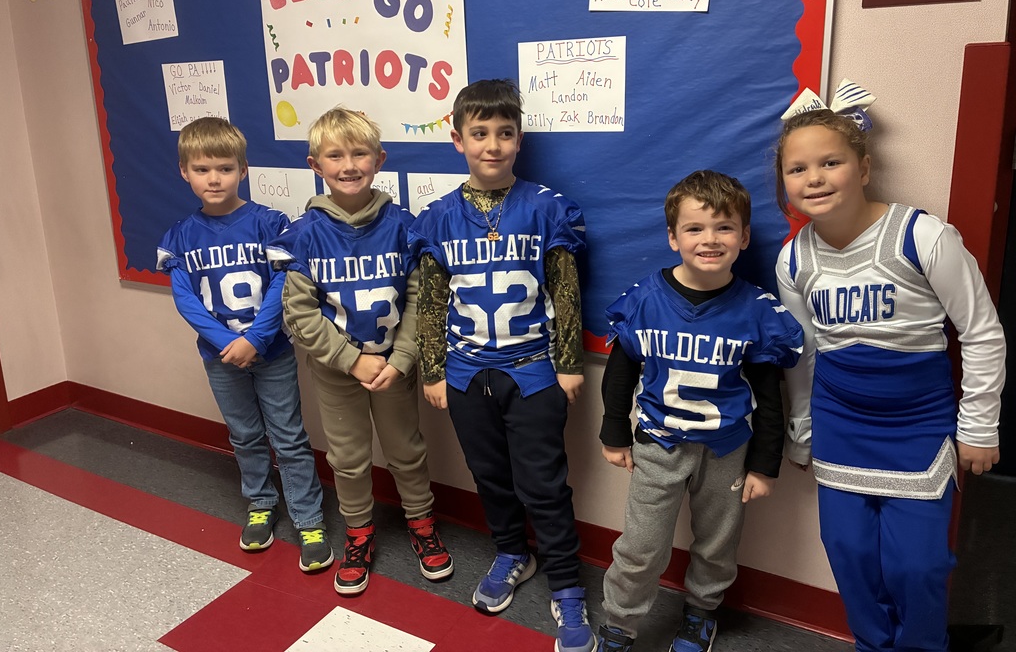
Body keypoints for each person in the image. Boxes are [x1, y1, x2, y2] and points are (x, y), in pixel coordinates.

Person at [774, 84, 1006, 652]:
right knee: (850, 559)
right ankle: (874, 646)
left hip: (917, 426)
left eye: (831, 162)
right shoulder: (794, 258)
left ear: (865, 166)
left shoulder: (923, 235)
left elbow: (981, 332)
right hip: (840, 425)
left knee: (917, 568)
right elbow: (803, 354)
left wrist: (979, 427)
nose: (816, 178)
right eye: (798, 168)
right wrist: (801, 431)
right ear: (784, 181)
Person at [408, 79, 596, 652]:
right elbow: (433, 300)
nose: (493, 144)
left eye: (505, 133)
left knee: (543, 482)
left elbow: (565, 290)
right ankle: (513, 552)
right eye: (480, 133)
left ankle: (566, 584)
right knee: (489, 476)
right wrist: (433, 371)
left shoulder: (546, 206)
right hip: (466, 371)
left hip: (533, 367)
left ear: (519, 139)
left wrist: (569, 364)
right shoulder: (439, 216)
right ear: (457, 137)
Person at [596, 170, 803, 652]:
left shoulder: (756, 310)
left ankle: (700, 613)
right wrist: (613, 433)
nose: (710, 239)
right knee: (641, 546)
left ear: (745, 237)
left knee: (717, 542)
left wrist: (765, 463)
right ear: (673, 237)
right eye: (694, 228)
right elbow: (620, 372)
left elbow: (770, 396)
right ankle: (620, 624)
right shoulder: (644, 299)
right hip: (657, 444)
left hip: (728, 448)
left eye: (724, 227)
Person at [267, 107, 453, 596]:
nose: (349, 164)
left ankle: (420, 522)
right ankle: (359, 533)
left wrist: (402, 358)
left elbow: (420, 298)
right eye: (335, 155)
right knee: (347, 458)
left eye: (359, 153)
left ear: (379, 159)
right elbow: (300, 315)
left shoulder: (404, 226)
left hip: (395, 366)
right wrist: (351, 358)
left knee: (406, 450)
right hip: (337, 372)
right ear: (315, 164)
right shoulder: (303, 234)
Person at [157, 117, 332, 573]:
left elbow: (283, 285)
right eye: (202, 169)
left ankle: (309, 518)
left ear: (243, 169)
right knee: (246, 435)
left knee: (289, 437)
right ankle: (260, 503)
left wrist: (254, 338)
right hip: (220, 358)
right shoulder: (180, 234)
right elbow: (185, 298)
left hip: (270, 353)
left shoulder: (269, 222)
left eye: (225, 168)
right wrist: (226, 342)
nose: (214, 178)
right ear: (184, 172)